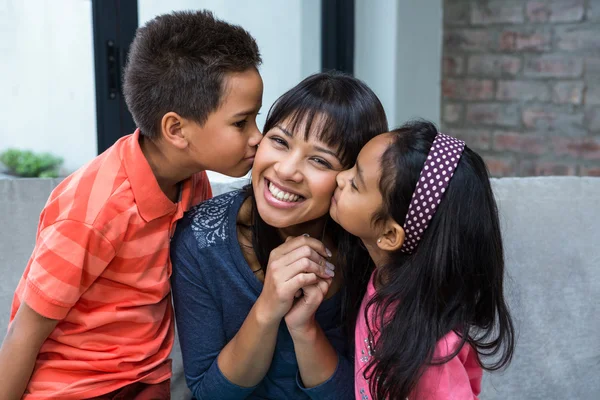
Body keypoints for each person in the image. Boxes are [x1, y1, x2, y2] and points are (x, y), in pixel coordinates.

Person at [0, 10, 263, 399]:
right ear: (177, 130)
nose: (259, 137)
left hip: (145, 379)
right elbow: (25, 330)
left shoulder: (193, 179)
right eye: (242, 123)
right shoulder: (94, 211)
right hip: (76, 388)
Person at [170, 70, 388, 399]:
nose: (285, 170)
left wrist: (305, 329)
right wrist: (268, 306)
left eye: (319, 160)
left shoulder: (371, 250)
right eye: (280, 141)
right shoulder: (200, 240)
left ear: (351, 178)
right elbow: (209, 392)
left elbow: (368, 393)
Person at [330, 120, 515, 399]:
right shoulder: (383, 277)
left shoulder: (431, 353)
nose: (339, 178)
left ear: (390, 234)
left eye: (355, 183)